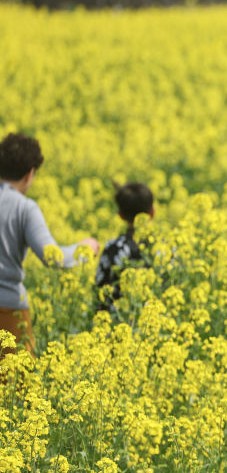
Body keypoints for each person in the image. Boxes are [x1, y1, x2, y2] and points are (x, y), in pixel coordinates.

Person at [0, 133, 98, 357]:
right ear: (30, 174)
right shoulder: (24, 208)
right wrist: (85, 248)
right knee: (16, 375)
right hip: (8, 309)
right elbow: (52, 256)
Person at [95, 182, 154, 312]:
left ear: (120, 215)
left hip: (117, 318)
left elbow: (100, 287)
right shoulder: (163, 247)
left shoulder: (114, 248)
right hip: (155, 318)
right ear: (152, 212)